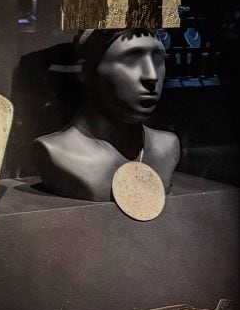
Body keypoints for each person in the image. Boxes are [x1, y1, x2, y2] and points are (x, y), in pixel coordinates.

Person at [33, 29, 180, 201]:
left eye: (158, 60)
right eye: (131, 60)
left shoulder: (167, 147)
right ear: (87, 73)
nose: (151, 76)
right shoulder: (56, 152)